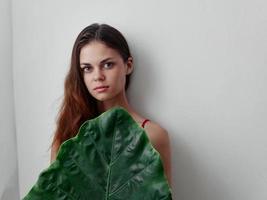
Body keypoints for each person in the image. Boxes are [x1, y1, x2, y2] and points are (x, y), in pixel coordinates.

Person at [50, 23, 172, 187]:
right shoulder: (69, 131)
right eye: (87, 68)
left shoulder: (153, 135)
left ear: (128, 65)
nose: (98, 76)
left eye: (107, 65)